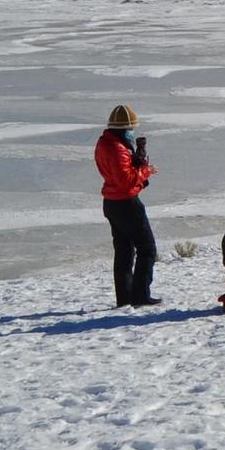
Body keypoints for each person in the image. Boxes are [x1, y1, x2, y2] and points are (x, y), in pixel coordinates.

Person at [94, 103, 160, 308]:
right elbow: (126, 179)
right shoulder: (118, 149)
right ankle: (140, 295)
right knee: (147, 248)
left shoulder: (104, 143)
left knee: (123, 251)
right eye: (130, 129)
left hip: (112, 202)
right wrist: (146, 171)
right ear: (123, 129)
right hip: (126, 202)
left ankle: (125, 297)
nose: (132, 133)